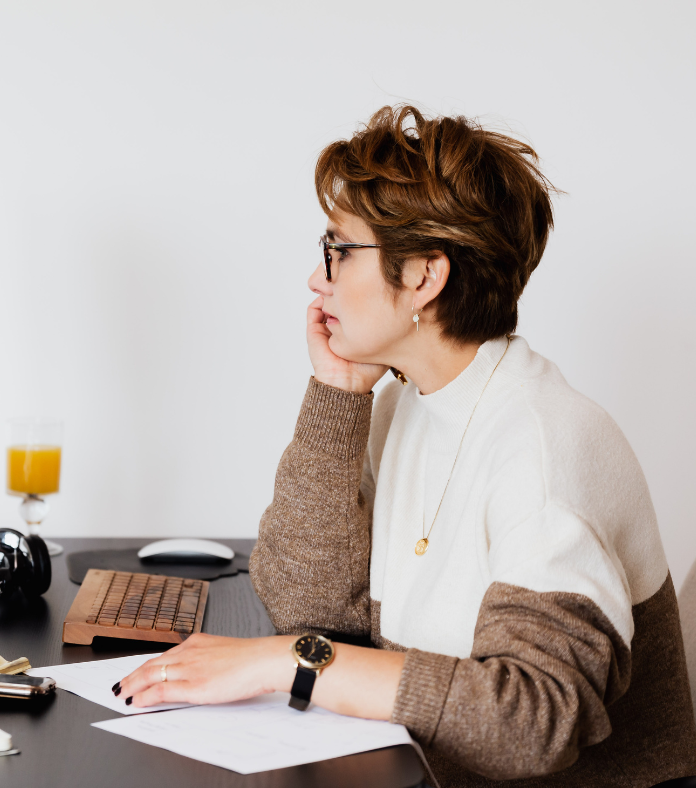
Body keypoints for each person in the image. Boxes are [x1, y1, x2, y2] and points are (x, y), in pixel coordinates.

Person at [116, 105, 696, 786]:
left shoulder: (545, 446)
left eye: (338, 250)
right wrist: (338, 392)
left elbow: (532, 721)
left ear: (423, 276)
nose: (317, 279)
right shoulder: (406, 405)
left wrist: (286, 663)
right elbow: (308, 607)